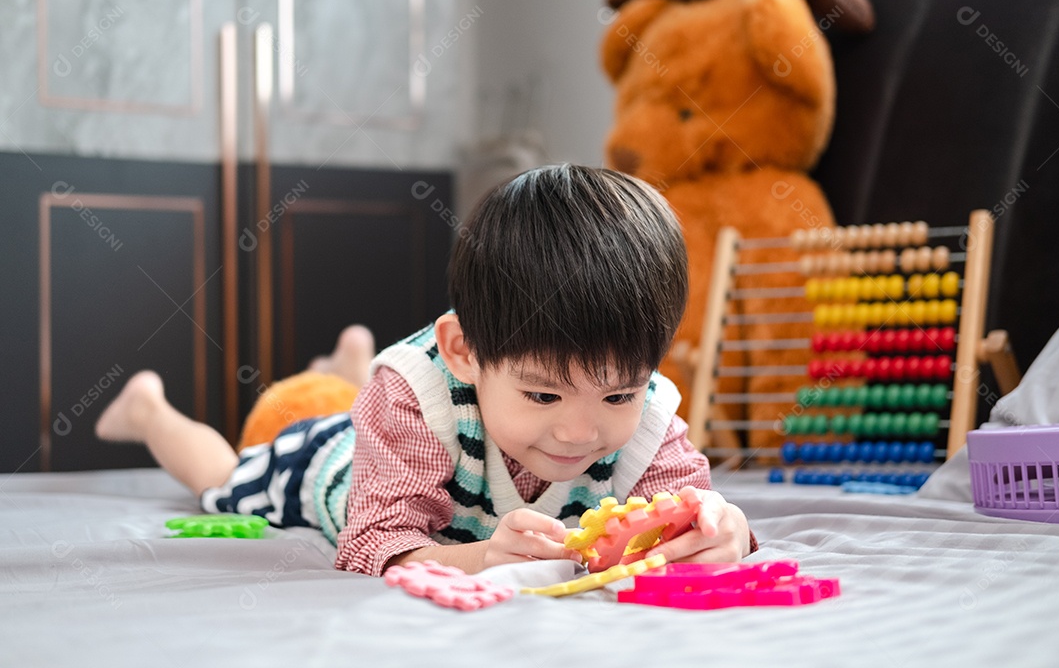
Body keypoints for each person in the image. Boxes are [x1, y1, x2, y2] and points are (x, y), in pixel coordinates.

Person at [97, 164, 756, 576]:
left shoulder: (649, 415)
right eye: (542, 392)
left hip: (395, 433)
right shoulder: (418, 396)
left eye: (617, 393)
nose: (583, 431)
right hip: (331, 468)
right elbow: (369, 544)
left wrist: (723, 530)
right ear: (464, 350)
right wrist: (483, 558)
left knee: (364, 403)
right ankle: (149, 408)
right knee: (225, 472)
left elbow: (690, 514)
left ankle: (345, 370)